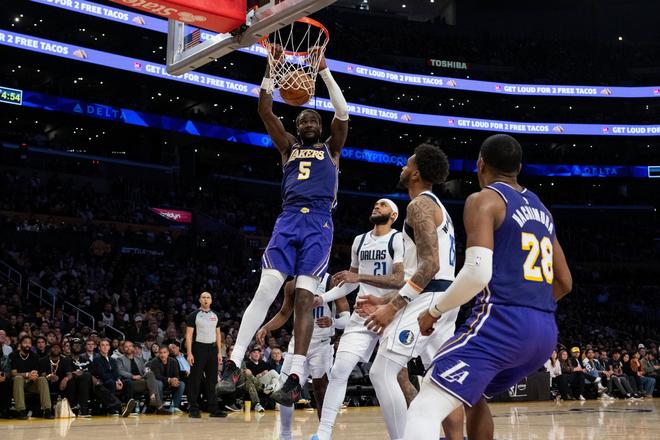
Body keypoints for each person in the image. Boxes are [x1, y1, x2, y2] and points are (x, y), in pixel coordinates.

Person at [406, 134, 573, 440]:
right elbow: (565, 282)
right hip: (544, 332)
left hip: (502, 324)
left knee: (424, 407)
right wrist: (529, 306)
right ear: (519, 168)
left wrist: (434, 311)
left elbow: (477, 273)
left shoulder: (484, 199)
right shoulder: (543, 211)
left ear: (480, 164)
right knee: (474, 395)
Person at [219, 44, 349, 409]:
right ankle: (233, 363)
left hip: (319, 223)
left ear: (320, 127)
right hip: (289, 218)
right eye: (303, 120)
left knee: (305, 297)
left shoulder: (332, 149)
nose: (308, 123)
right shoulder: (287, 147)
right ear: (296, 127)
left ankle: (294, 376)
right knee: (266, 289)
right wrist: (270, 69)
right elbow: (265, 110)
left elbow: (342, 112)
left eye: (313, 120)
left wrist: (323, 71)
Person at [355, 145, 464, 440]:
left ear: (415, 174)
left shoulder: (419, 206)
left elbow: (430, 266)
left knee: (381, 372)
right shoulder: (439, 207)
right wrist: (385, 299)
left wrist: (392, 308)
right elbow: (430, 269)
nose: (402, 168)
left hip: (430, 298)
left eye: (407, 164)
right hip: (444, 298)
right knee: (442, 381)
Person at [310, 198, 415, 440]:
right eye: (375, 204)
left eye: (383, 205)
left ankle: (415, 431)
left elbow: (399, 280)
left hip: (391, 312)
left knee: (400, 379)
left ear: (393, 216)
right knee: (339, 371)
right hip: (362, 315)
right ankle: (323, 433)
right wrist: (322, 298)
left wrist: (359, 278)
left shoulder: (398, 239)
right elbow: (349, 282)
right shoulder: (359, 240)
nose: (377, 206)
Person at [258, 274, 350, 440]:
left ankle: (323, 435)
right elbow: (284, 313)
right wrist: (266, 327)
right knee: (285, 388)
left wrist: (333, 322)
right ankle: (285, 435)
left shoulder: (331, 281)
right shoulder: (292, 284)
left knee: (321, 391)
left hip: (321, 344)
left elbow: (346, 318)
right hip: (298, 343)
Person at [185, 291, 226, 418]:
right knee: (195, 379)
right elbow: (189, 335)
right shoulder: (193, 315)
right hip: (198, 348)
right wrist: (189, 353)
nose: (206, 299)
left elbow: (218, 334)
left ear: (211, 300)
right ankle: (193, 408)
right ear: (199, 300)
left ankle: (213, 408)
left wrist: (219, 352)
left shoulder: (216, 315)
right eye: (203, 297)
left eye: (208, 297)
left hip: (212, 349)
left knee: (212, 380)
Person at [10, 335, 53, 419]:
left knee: (42, 379)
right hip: (18, 383)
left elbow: (35, 372)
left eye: (29, 343)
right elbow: (13, 373)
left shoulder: (34, 356)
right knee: (18, 378)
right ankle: (21, 411)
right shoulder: (14, 355)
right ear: (20, 344)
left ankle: (47, 410)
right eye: (25, 342)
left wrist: (32, 376)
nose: (27, 345)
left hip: (31, 383)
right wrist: (27, 375)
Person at [91, 338, 137, 417]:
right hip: (102, 382)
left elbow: (116, 372)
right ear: (99, 348)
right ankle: (112, 409)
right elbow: (102, 374)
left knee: (128, 382)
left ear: (109, 347)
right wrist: (115, 381)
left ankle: (128, 408)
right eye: (103, 345)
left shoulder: (112, 360)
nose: (105, 347)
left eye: (107, 345)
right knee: (111, 383)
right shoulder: (96, 359)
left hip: (114, 380)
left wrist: (118, 380)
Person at [116, 340, 164, 413]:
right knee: (154, 384)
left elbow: (143, 370)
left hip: (141, 381)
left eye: (130, 346)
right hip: (130, 383)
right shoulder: (120, 359)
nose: (128, 348)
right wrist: (132, 376)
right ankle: (159, 407)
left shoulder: (138, 358)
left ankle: (152, 397)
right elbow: (120, 371)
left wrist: (146, 371)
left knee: (150, 374)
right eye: (126, 347)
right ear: (123, 348)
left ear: (133, 348)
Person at [150, 345, 185, 413]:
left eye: (164, 352)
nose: (162, 355)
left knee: (181, 384)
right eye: (160, 353)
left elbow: (177, 374)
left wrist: (175, 380)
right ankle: (160, 407)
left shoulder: (173, 361)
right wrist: (169, 380)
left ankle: (175, 406)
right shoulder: (154, 361)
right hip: (160, 383)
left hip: (170, 383)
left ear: (168, 353)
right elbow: (157, 376)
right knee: (159, 383)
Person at [0, 340, 11, 418]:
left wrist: (3, 375)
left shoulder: (5, 358)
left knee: (7, 381)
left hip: (1, 378)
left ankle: (5, 410)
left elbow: (7, 371)